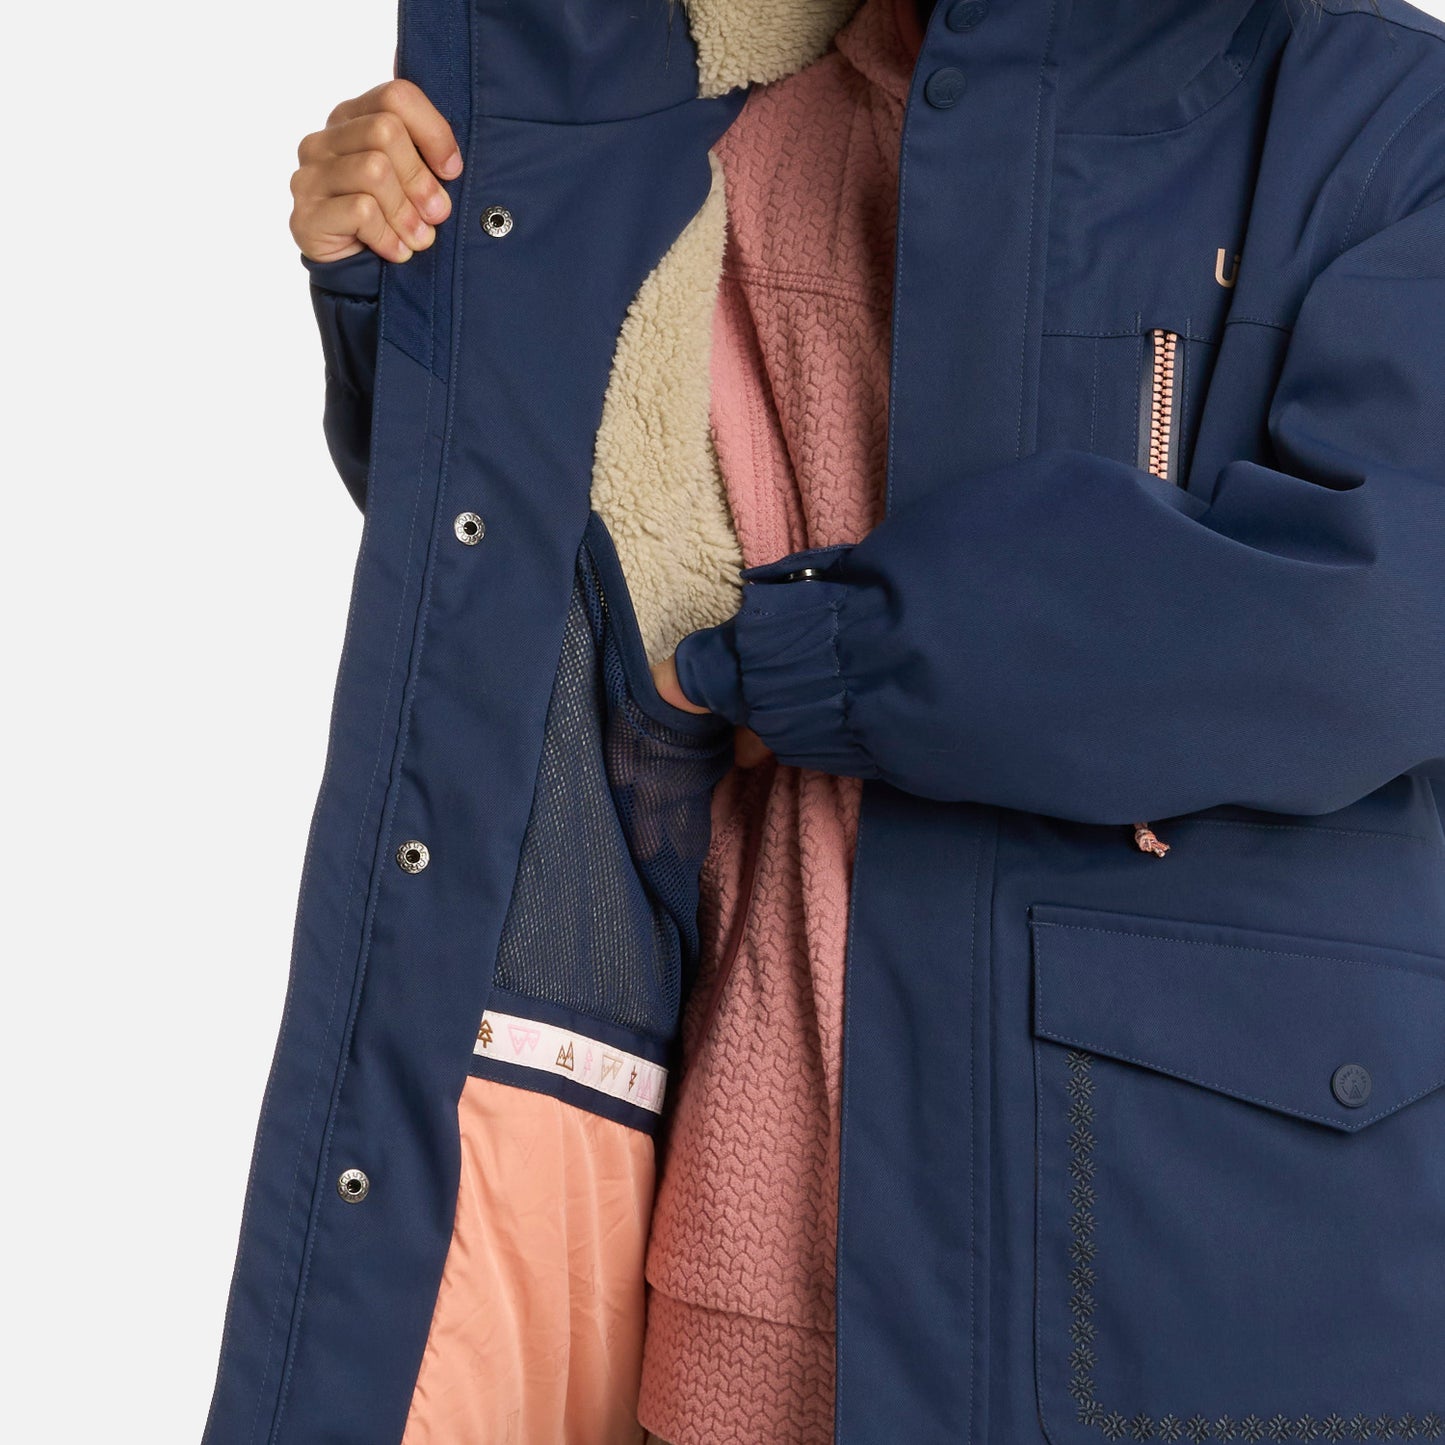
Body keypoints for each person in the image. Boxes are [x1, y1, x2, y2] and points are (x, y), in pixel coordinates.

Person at [237, 0, 1445, 1441]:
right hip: (741, 1243)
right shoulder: (710, 135)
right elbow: (557, 607)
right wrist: (411, 282)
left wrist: (814, 659)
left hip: (1179, 1278)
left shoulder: (1382, 120)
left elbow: (1364, 629)